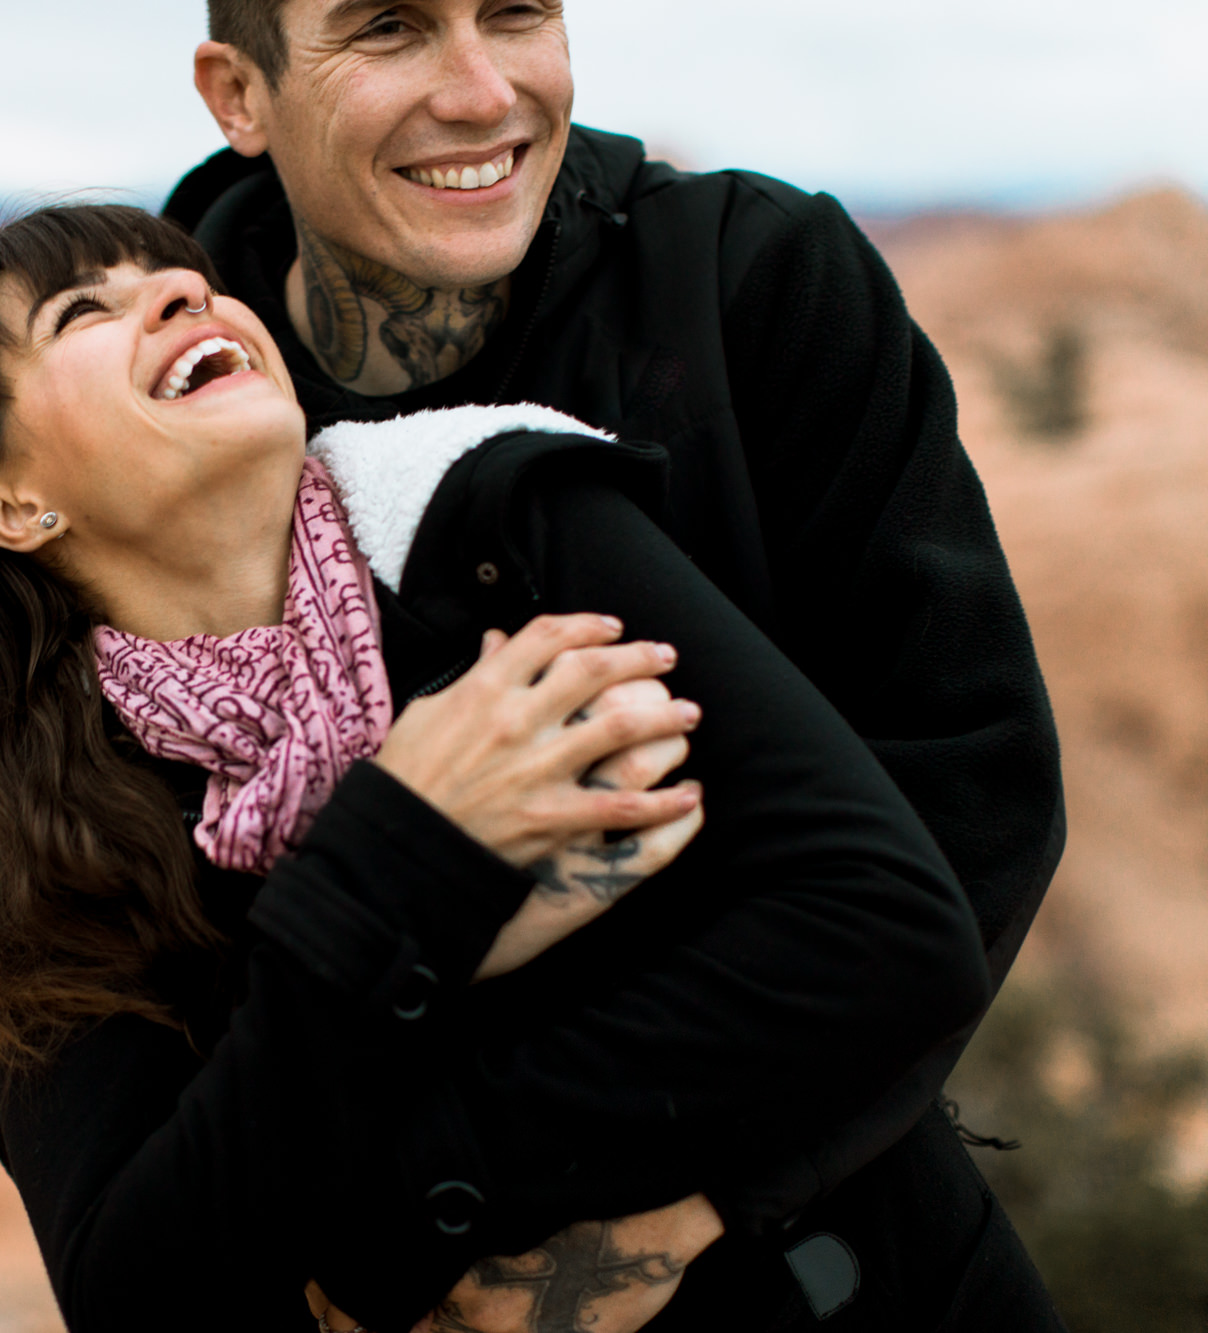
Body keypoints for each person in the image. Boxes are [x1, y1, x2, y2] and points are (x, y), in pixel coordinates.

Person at [0, 202, 1032, 1332]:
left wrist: (387, 1222)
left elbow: (886, 931)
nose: (181, 293)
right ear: (11, 504)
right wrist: (395, 861)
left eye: (181, 274)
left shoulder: (495, 517)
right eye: (82, 310)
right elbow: (143, 1292)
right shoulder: (27, 861)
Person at [172, 0, 1066, 1323]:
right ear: (240, 94)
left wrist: (657, 1219)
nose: (483, 92)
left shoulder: (754, 283)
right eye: (393, 29)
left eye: (516, 13)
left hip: (842, 1270)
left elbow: (971, 792)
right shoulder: (157, 402)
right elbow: (51, 896)